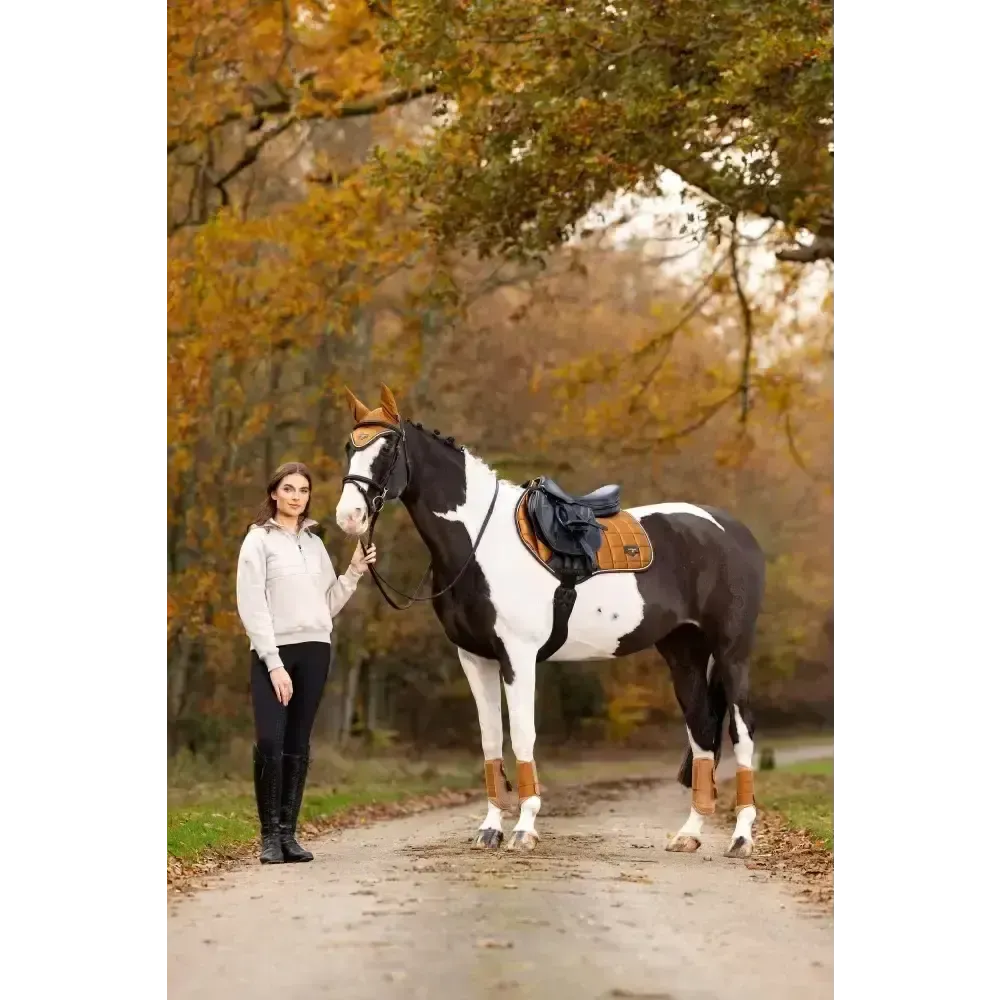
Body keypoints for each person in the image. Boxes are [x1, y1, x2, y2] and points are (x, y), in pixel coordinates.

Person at [236, 461, 376, 864]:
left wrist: (354, 572)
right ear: (274, 493)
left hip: (316, 649)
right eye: (289, 489)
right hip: (274, 652)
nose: (296, 497)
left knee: (298, 742)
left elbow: (326, 604)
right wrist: (273, 662)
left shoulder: (314, 544)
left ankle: (288, 835)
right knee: (270, 741)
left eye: (303, 490)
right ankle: (268, 838)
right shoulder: (257, 540)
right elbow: (252, 605)